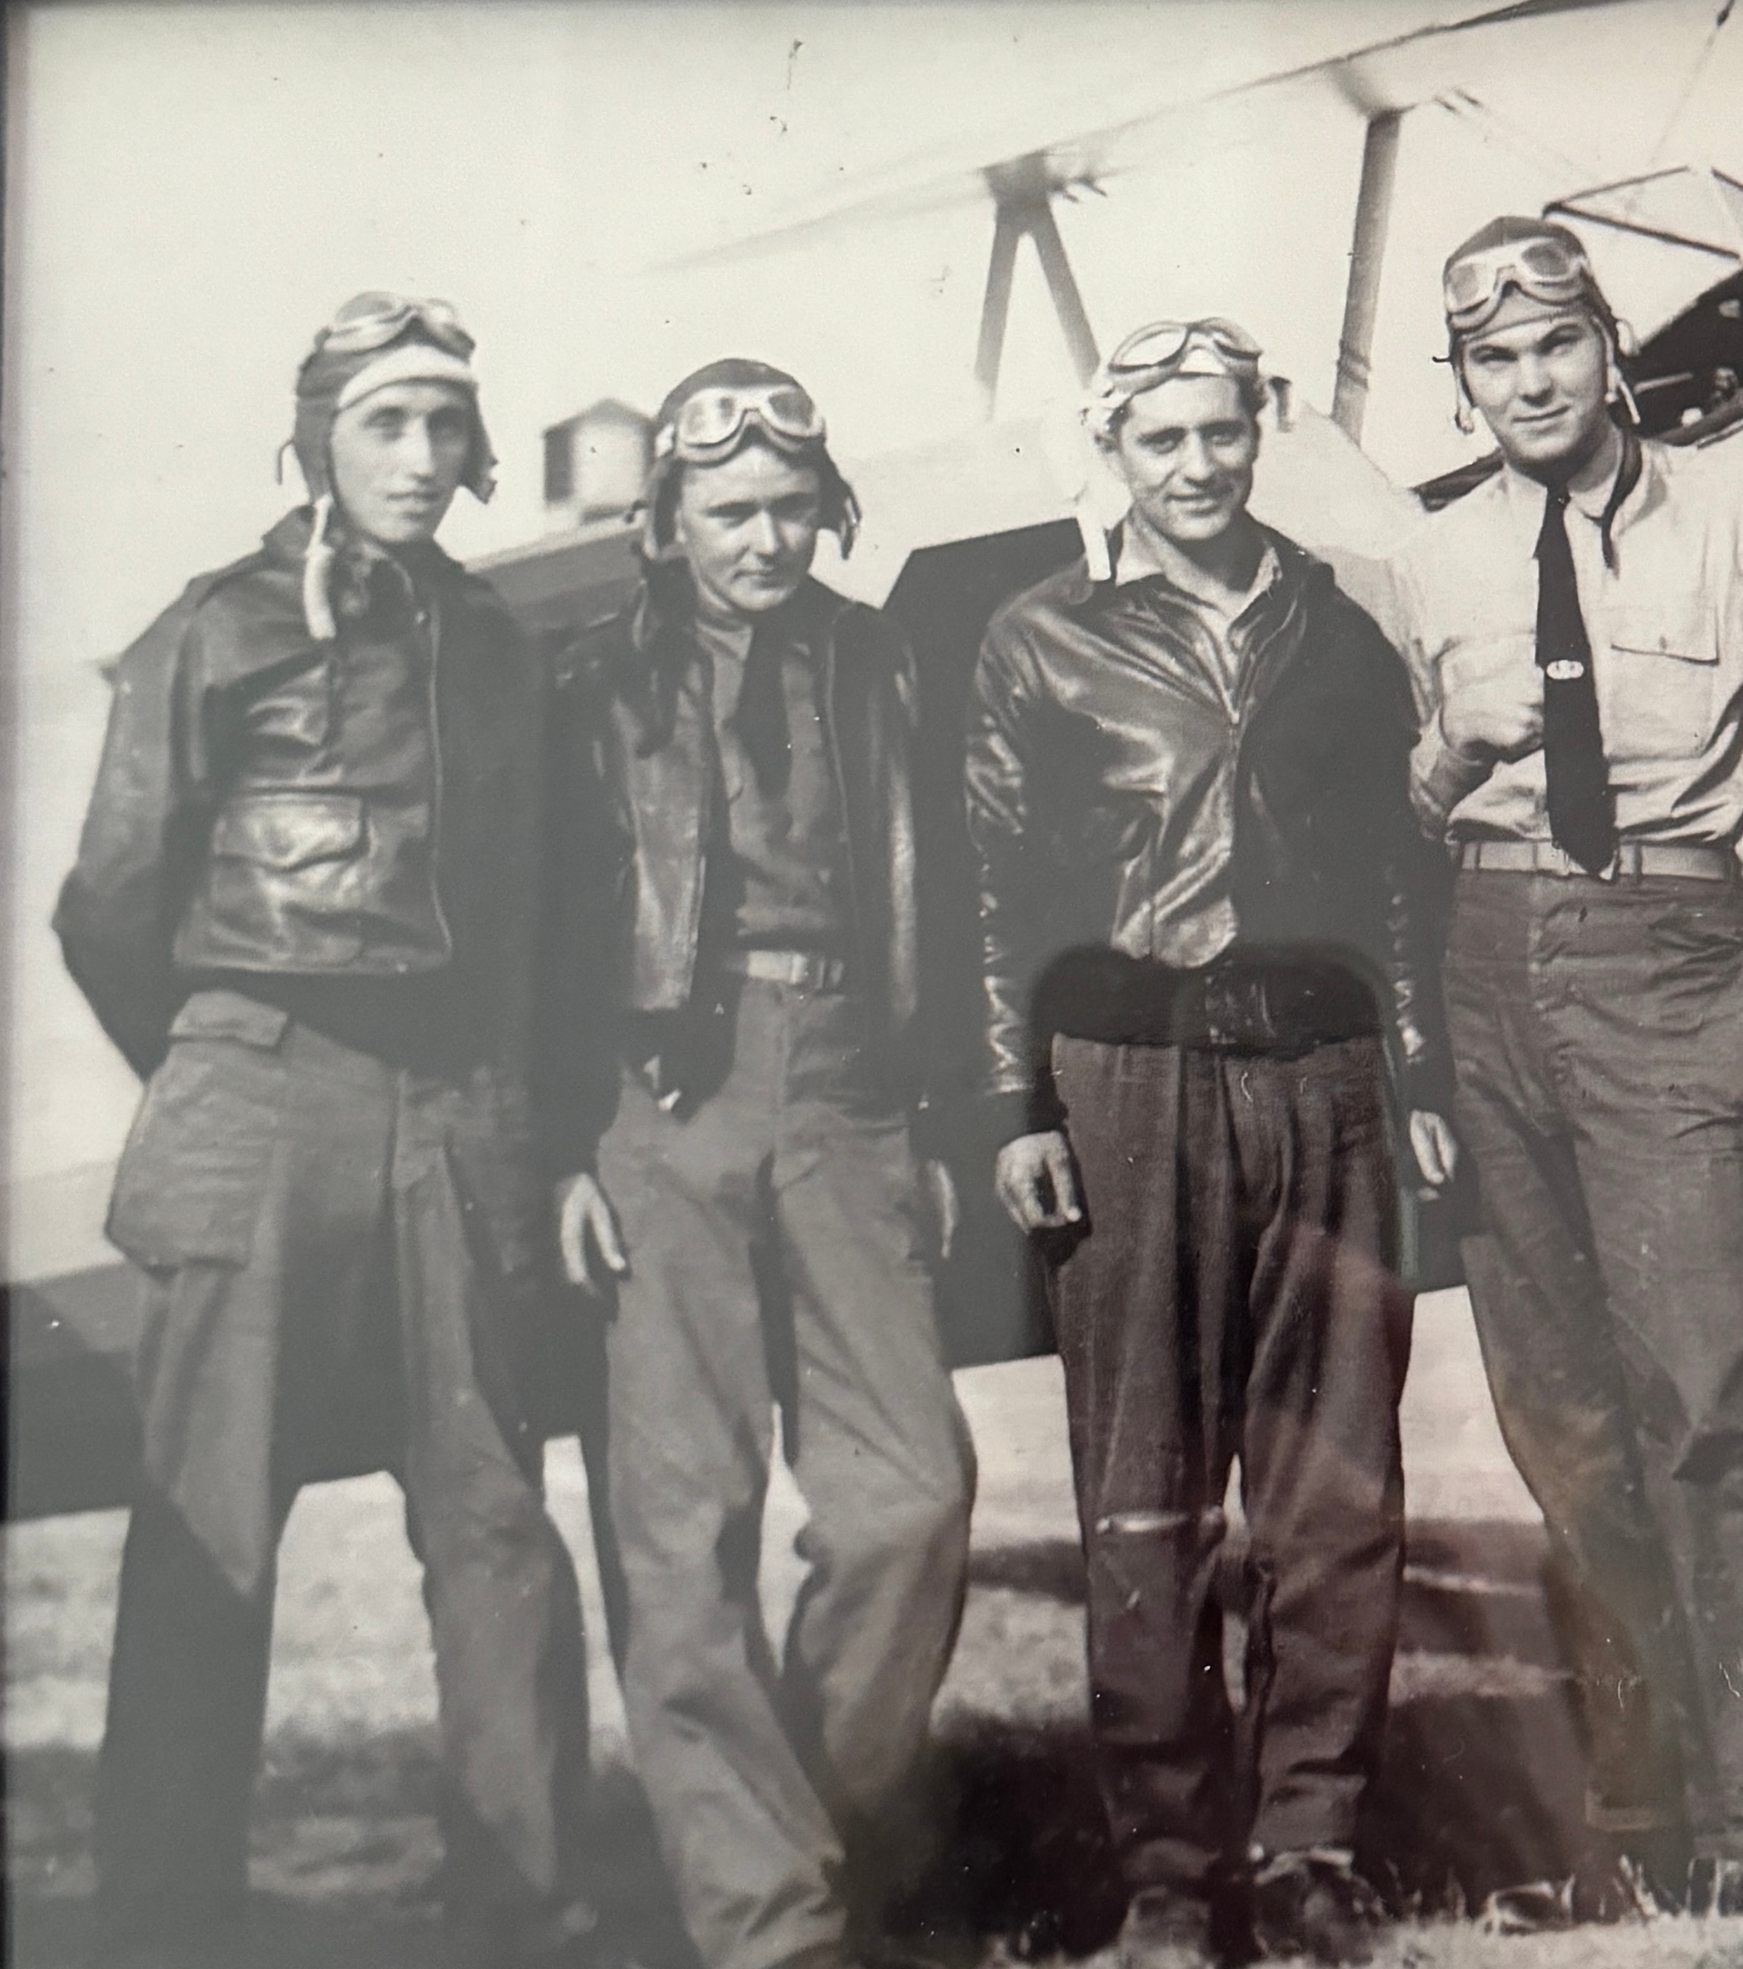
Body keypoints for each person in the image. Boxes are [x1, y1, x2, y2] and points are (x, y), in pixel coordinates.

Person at [55, 293, 610, 1968]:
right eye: (387, 423)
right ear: (317, 441)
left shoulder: (499, 648)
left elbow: (542, 917)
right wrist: (232, 1067)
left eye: (448, 425)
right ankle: (161, 1927)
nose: (423, 457)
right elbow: (111, 904)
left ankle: (524, 1919)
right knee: (208, 1531)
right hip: (260, 1094)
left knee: (495, 1528)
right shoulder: (214, 630)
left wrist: (507, 1117)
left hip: (462, 1115)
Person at [966, 319, 1450, 1969]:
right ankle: (1171, 1870)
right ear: (1115, 450)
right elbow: (996, 891)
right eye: (1161, 438)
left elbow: (1394, 873)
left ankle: (1312, 1846)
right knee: (1144, 1495)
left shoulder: (1339, 629)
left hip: (1324, 1078)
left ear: (1260, 432)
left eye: (1220, 432)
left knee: (1335, 1485)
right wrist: (1016, 1106)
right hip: (1126, 1081)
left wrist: (1418, 1069)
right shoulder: (1040, 638)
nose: (1195, 465)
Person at [1389, 217, 1743, 1944]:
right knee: (1566, 1424)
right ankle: (1642, 1819)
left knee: (1712, 1402)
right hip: (1492, 961)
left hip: (1676, 949)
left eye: (1557, 344)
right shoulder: (1429, 560)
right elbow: (1409, 808)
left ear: (1609, 345)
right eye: (1495, 359)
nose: (1532, 381)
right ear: (1464, 381)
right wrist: (1448, 758)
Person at [540, 360, 975, 1969]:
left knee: (913, 1500)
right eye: (729, 512)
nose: (765, 539)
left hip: (851, 1082)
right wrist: (562, 1148)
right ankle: (770, 1926)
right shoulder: (592, 685)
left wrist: (933, 1118)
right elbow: (541, 934)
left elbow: (947, 886)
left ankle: (802, 1831)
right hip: (664, 1095)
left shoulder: (882, 660)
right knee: (683, 1525)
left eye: (792, 507)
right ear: (666, 519)